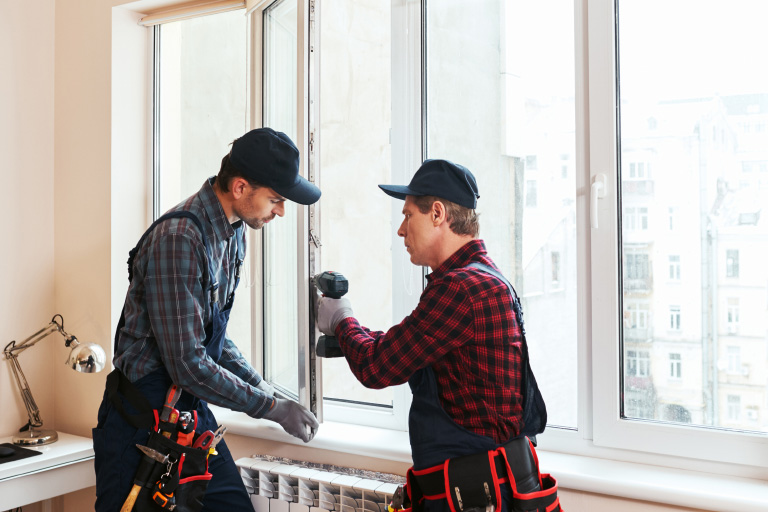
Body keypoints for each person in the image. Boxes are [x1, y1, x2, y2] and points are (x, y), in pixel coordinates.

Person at [94, 128, 320, 512]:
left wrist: (265, 389)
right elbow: (188, 363)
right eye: (276, 199)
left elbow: (213, 338)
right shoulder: (179, 238)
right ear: (240, 187)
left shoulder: (233, 234)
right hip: (141, 423)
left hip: (187, 414)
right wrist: (270, 409)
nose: (280, 211)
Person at [316, 159, 557, 512]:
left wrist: (341, 319)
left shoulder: (460, 289)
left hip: (477, 495)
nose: (401, 230)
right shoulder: (486, 279)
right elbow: (408, 346)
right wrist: (354, 333)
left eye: (408, 215)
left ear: (438, 214)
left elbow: (377, 366)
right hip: (486, 488)